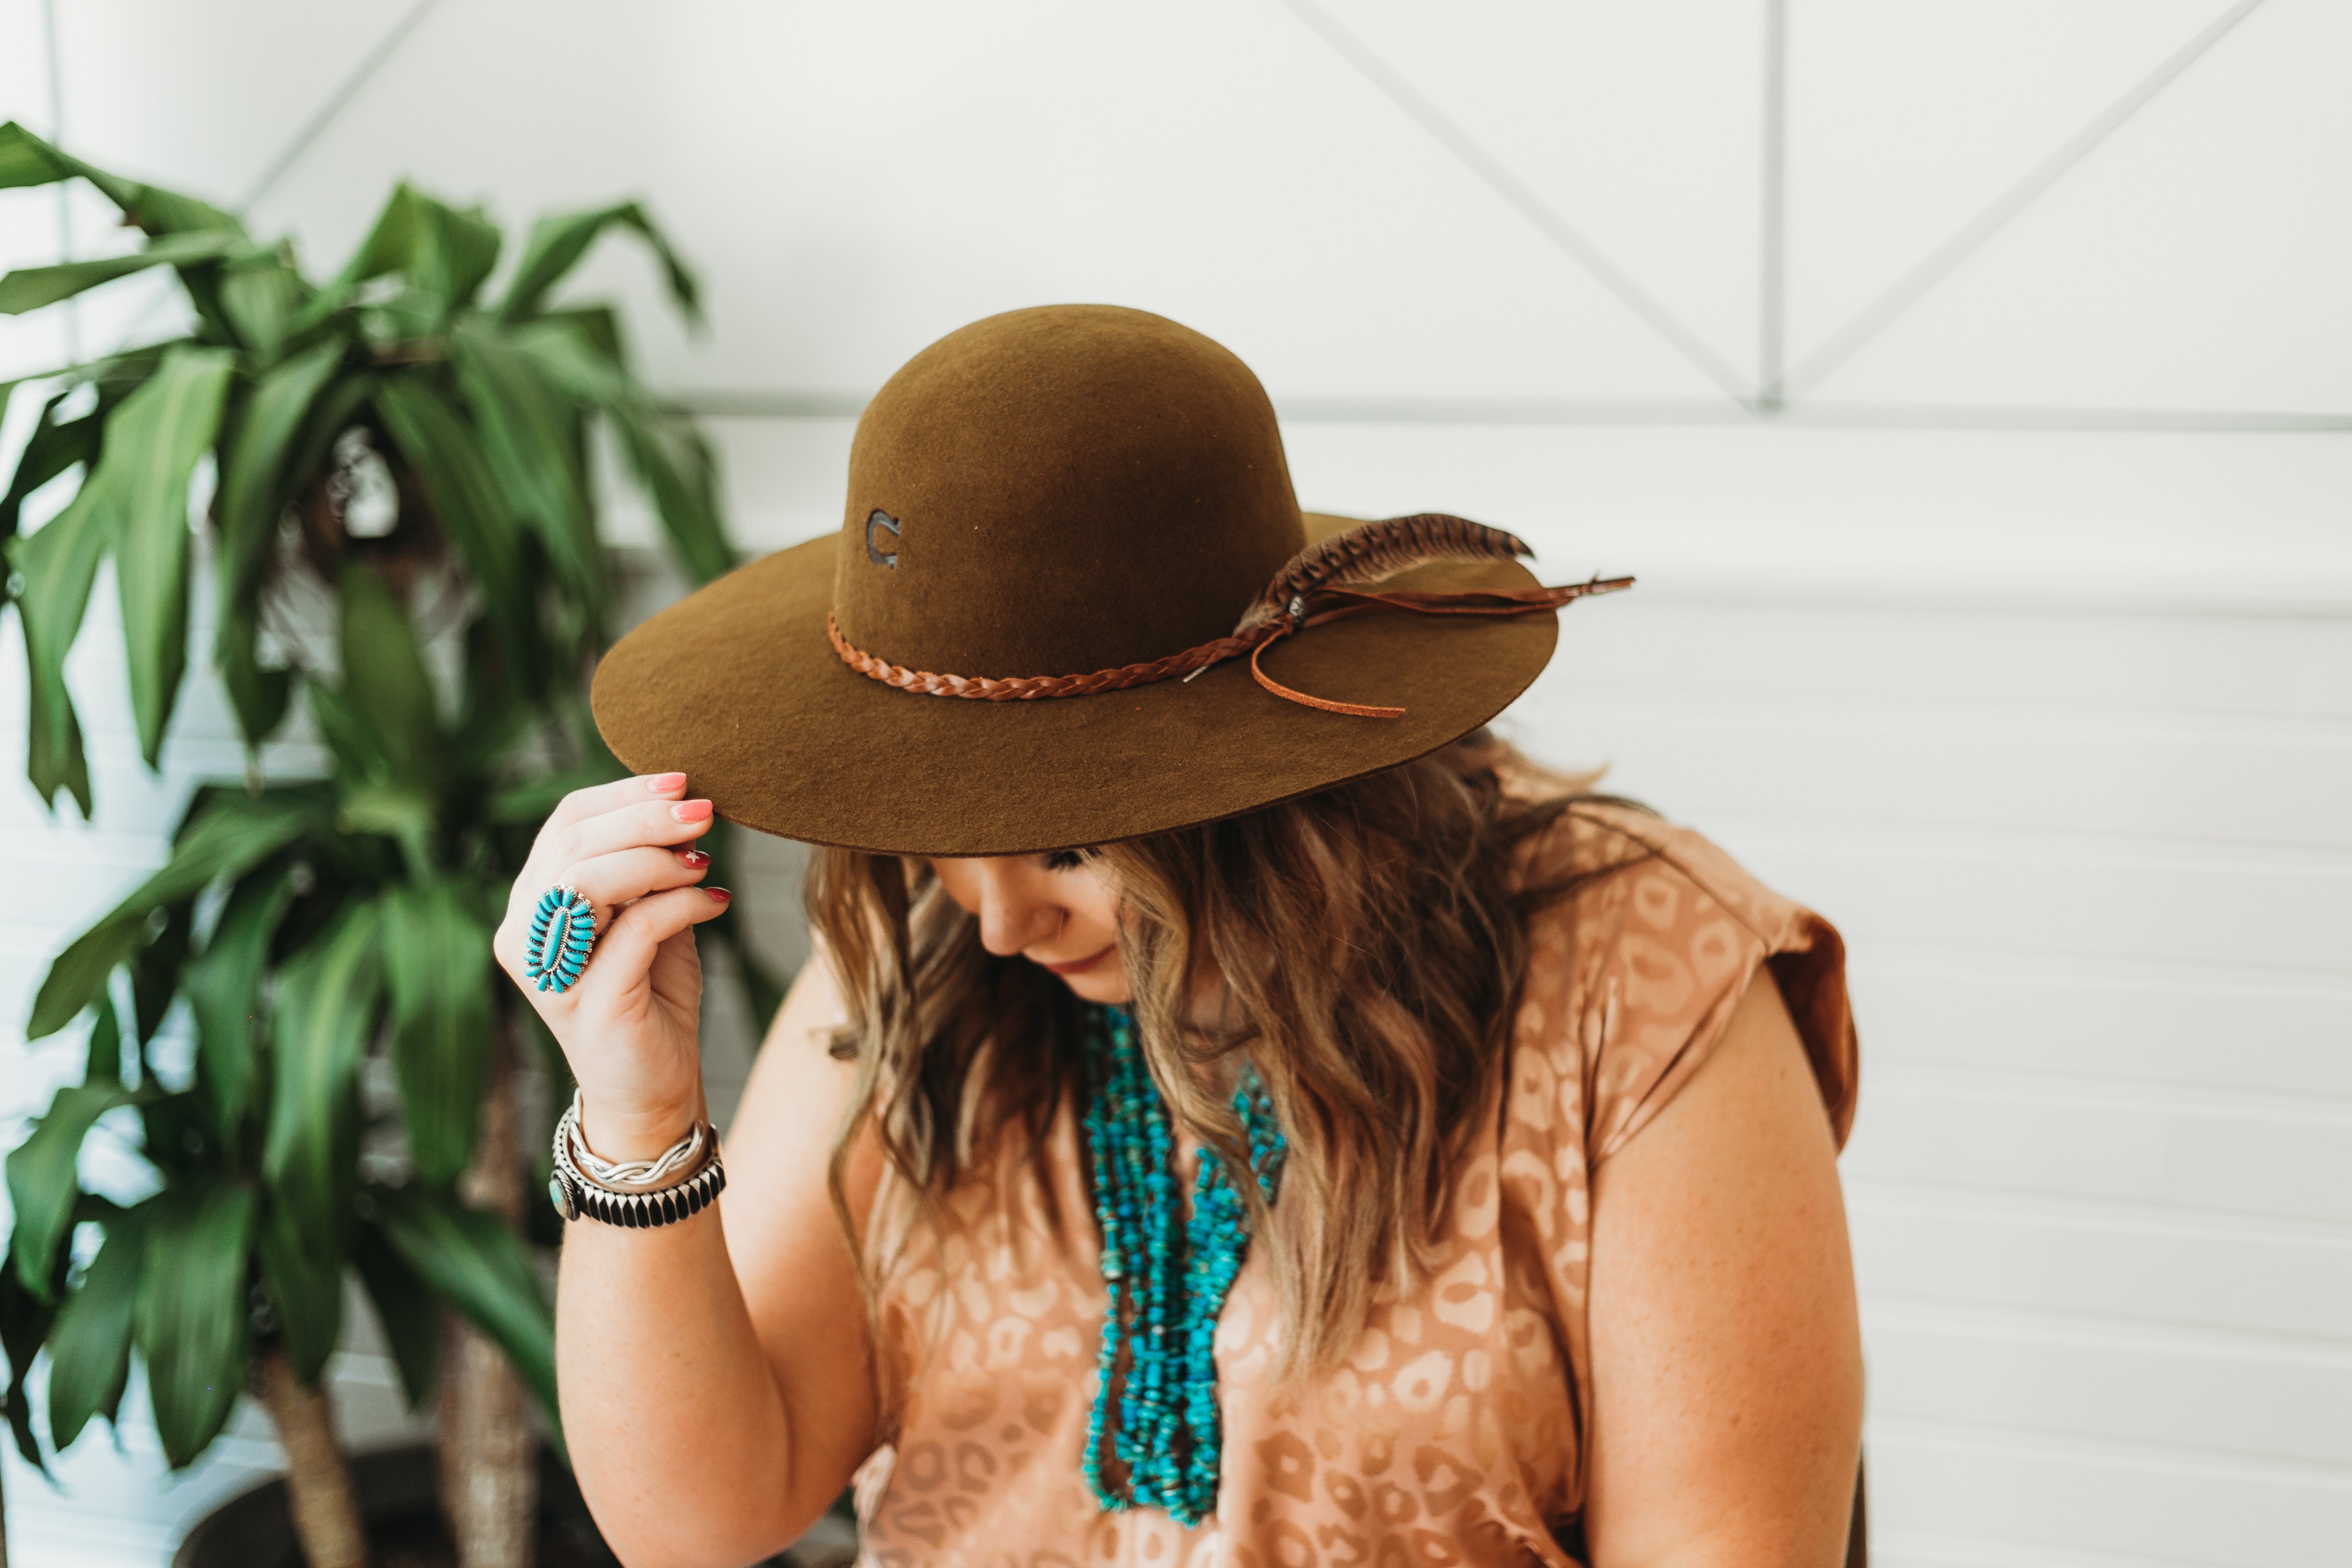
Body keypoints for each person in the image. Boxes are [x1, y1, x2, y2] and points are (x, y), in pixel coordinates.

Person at [495, 306, 1865, 1568]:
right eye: (934, 832)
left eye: (1071, 846)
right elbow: (697, 1521)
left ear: (1268, 784)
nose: (1000, 921)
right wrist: (634, 1113)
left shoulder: (1644, 986)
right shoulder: (918, 978)